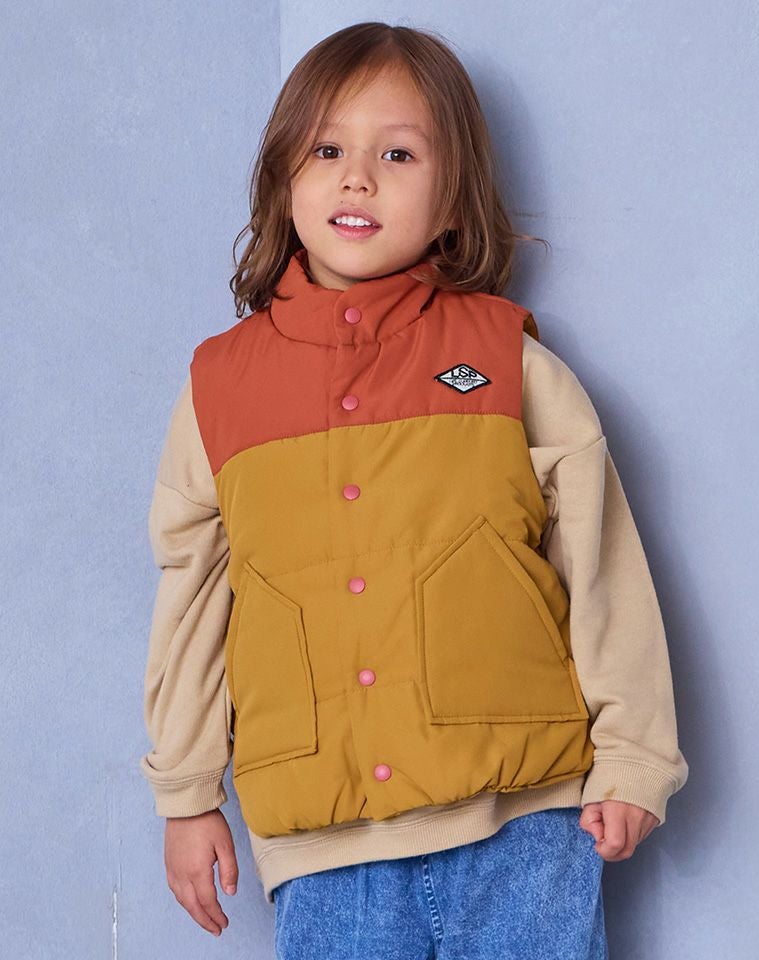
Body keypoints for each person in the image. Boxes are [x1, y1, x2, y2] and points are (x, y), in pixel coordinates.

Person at [139, 20, 689, 960]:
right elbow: (192, 600)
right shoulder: (217, 390)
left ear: (452, 199)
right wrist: (186, 795)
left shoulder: (508, 363)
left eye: (397, 153)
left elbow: (603, 566)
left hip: (528, 828)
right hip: (323, 853)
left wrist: (635, 757)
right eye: (327, 150)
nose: (357, 178)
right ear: (283, 176)